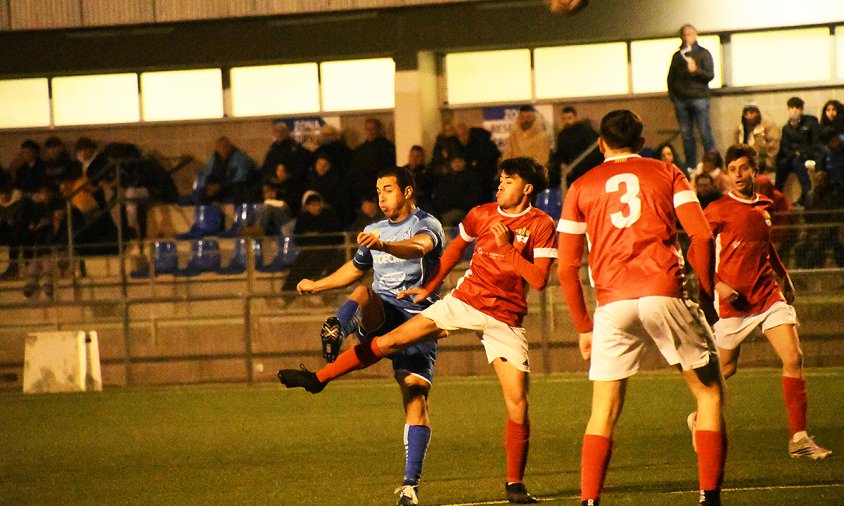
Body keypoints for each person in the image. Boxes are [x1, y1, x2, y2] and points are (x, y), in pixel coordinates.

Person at [279, 157, 559, 505]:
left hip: (505, 317)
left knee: (517, 403)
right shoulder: (482, 213)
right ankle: (321, 375)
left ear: (527, 188)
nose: (500, 185)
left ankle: (514, 485)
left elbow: (540, 279)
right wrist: (431, 288)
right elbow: (457, 248)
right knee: (387, 335)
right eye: (500, 179)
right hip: (464, 300)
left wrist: (506, 250)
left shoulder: (541, 224)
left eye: (508, 181)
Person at [556, 109, 726, 506]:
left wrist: (583, 326)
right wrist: (704, 295)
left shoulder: (580, 185)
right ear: (643, 140)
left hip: (612, 303)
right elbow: (700, 236)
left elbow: (566, 268)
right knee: (708, 395)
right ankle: (709, 496)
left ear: (601, 144)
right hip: (663, 291)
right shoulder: (667, 172)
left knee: (604, 410)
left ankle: (589, 500)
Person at [293, 166, 445, 505]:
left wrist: (386, 245)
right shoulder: (373, 230)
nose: (381, 196)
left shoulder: (426, 224)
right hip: (382, 313)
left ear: (407, 191)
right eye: (378, 190)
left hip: (418, 321)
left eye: (388, 189)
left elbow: (418, 248)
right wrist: (316, 284)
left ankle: (409, 485)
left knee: (416, 396)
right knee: (364, 291)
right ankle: (337, 328)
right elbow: (355, 269)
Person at [702, 144, 831, 460]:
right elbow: (697, 252)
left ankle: (799, 439)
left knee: (793, 356)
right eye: (732, 170)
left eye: (743, 168)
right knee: (726, 368)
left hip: (768, 295)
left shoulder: (764, 205)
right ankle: (699, 416)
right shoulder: (716, 209)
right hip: (735, 304)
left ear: (754, 171)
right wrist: (716, 284)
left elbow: (767, 247)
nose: (738, 175)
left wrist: (783, 277)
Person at [667, 24, 716, 173]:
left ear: (696, 35)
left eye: (691, 34)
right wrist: (674, 97)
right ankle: (691, 167)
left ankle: (713, 165)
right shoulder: (677, 56)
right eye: (685, 34)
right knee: (686, 135)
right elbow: (670, 78)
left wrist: (697, 71)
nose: (688, 37)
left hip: (699, 97)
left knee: (704, 132)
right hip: (681, 100)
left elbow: (710, 75)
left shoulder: (703, 53)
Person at [776, 97, 820, 207]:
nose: (794, 110)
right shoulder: (786, 128)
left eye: (797, 108)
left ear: (802, 110)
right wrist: (792, 154)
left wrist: (801, 152)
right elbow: (784, 146)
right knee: (782, 164)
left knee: (797, 163)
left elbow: (815, 143)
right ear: (788, 109)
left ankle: (807, 192)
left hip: (806, 156)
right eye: (792, 108)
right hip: (791, 157)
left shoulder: (810, 123)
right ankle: (776, 192)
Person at [191, 136, 258, 205]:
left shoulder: (240, 158)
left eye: (225, 146)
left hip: (233, 186)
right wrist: (207, 186)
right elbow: (207, 173)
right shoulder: (214, 158)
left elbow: (241, 177)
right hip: (220, 187)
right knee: (204, 193)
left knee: (239, 189)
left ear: (230, 147)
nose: (222, 149)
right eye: (219, 147)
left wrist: (220, 186)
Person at [550, 106, 603, 188]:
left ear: (575, 118)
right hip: (571, 173)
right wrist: (562, 163)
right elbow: (561, 153)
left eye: (569, 118)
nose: (567, 121)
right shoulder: (562, 135)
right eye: (564, 119)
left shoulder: (586, 132)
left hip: (583, 170)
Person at [348, 118, 397, 203]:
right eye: (368, 129)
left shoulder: (387, 148)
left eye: (373, 129)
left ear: (379, 129)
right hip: (362, 194)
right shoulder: (360, 150)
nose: (370, 132)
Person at [734, 104, 780, 173]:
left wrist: (765, 163)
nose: (749, 116)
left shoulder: (768, 126)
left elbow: (774, 149)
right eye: (746, 114)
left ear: (758, 113)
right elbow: (736, 149)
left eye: (752, 113)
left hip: (765, 166)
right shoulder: (739, 131)